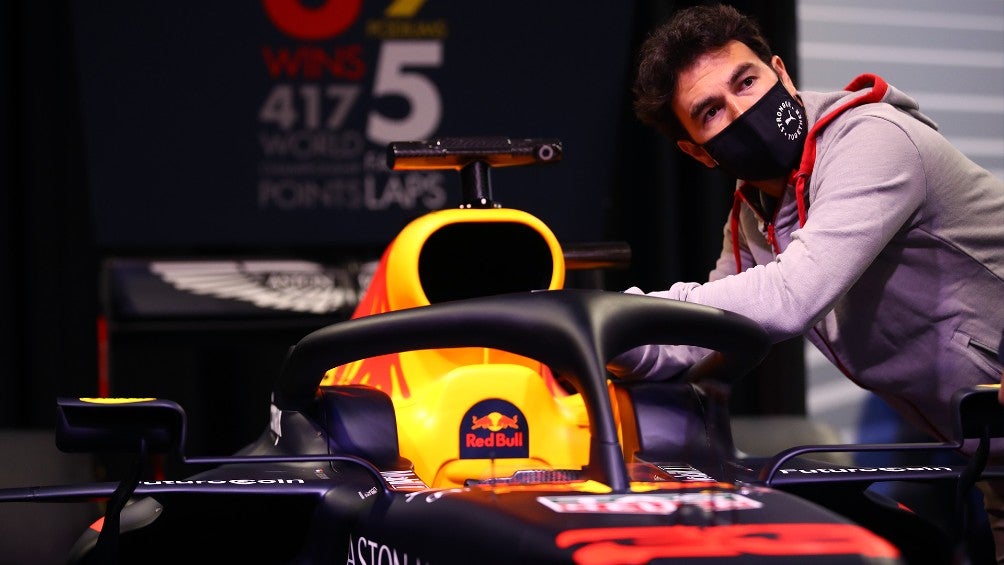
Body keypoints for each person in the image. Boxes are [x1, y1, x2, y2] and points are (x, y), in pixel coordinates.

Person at [609, 3, 1004, 561]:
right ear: (697, 151)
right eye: (711, 111)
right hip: (989, 448)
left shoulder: (872, 139)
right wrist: (608, 345)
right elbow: (705, 335)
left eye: (747, 82)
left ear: (781, 73)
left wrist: (624, 315)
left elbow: (792, 295)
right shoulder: (754, 217)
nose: (742, 109)